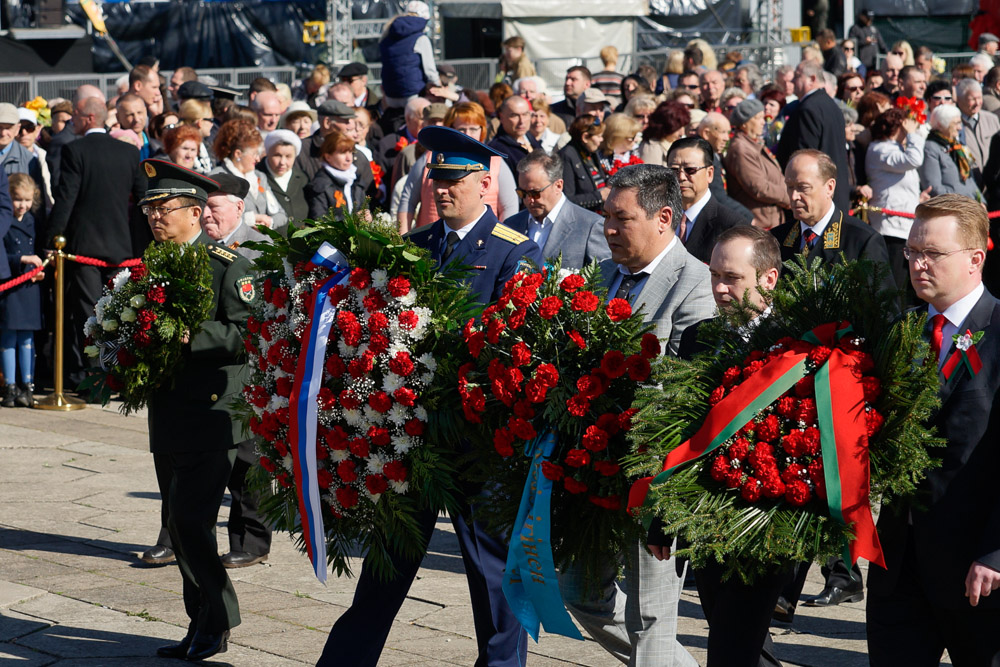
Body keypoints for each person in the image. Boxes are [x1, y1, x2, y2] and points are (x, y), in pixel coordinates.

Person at [317, 126, 541, 667]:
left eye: (453, 179)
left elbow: (512, 344)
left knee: (491, 578)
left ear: (484, 183)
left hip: (474, 439)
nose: (440, 189)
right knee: (385, 569)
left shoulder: (515, 251)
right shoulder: (415, 249)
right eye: (433, 179)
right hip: (411, 436)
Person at [563, 163, 712, 667]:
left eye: (620, 219)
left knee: (651, 617)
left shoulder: (695, 285)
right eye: (606, 217)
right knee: (580, 591)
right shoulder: (601, 276)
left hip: (654, 474)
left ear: (663, 217)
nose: (606, 229)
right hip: (592, 471)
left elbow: (687, 387)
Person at [867, 194, 1000, 666]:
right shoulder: (902, 331)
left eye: (932, 254)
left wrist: (996, 551)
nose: (918, 263)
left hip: (978, 571)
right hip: (899, 568)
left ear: (975, 259)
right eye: (911, 252)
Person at [650, 224, 786, 667]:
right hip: (706, 520)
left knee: (733, 644)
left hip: (767, 519)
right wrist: (662, 517)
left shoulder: (797, 342)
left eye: (733, 278)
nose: (721, 289)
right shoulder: (697, 338)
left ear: (768, 279)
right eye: (714, 277)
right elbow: (677, 431)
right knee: (730, 631)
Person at [137, 160, 252, 662]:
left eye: (164, 209)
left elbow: (250, 333)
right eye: (149, 209)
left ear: (195, 212)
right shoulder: (153, 264)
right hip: (170, 412)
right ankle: (200, 622)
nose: (155, 218)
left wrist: (191, 336)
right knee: (180, 526)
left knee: (190, 522)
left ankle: (219, 618)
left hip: (214, 412)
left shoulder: (228, 263)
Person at [45, 96, 146, 389]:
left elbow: (66, 199)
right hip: (121, 248)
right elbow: (141, 198)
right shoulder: (128, 152)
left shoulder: (74, 150)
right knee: (120, 313)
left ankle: (97, 381)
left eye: (75, 114)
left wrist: (51, 240)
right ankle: (122, 376)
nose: (71, 120)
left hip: (84, 248)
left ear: (89, 117)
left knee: (91, 316)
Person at [398, 102, 518, 231]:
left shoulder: (496, 162)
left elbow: (509, 207)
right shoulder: (429, 159)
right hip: (431, 240)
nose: (468, 134)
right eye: (462, 129)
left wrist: (501, 242)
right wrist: (403, 240)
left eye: (473, 129)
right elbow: (408, 201)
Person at [504, 149, 610, 268]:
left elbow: (603, 279)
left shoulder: (590, 226)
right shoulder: (511, 225)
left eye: (535, 193)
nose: (529, 200)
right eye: (522, 193)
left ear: (558, 186)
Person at [776, 59, 852, 212]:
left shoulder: (808, 109)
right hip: (832, 193)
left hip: (814, 199)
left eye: (797, 76)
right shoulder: (830, 105)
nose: (793, 80)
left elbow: (804, 157)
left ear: (812, 79)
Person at [866, 108, 927, 295]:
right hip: (890, 227)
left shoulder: (897, 149)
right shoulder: (880, 149)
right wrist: (912, 134)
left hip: (904, 226)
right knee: (894, 287)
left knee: (905, 288)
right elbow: (915, 159)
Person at [667, 136, 747, 263]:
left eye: (690, 170)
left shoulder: (731, 225)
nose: (681, 177)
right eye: (674, 170)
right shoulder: (659, 217)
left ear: (709, 173)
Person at [211, 118, 288, 232]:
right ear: (238, 154)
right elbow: (212, 216)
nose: (258, 159)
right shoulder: (217, 176)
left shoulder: (260, 177)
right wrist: (250, 219)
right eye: (254, 154)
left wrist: (268, 222)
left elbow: (281, 214)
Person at [2, 173, 39, 407]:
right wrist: (21, 259)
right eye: (17, 199)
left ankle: (28, 385)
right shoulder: (4, 221)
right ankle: (10, 386)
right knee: (7, 338)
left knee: (27, 339)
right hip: (9, 285)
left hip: (29, 286)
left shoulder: (33, 220)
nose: (22, 205)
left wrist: (41, 267)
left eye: (27, 200)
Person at [725, 98, 790, 229]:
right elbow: (758, 187)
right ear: (745, 123)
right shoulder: (741, 149)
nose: (763, 122)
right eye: (758, 118)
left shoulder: (753, 144)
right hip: (760, 223)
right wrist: (789, 197)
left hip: (771, 219)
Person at [378, 1, 440, 114]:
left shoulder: (387, 36)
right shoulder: (421, 38)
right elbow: (430, 71)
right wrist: (439, 86)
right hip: (413, 93)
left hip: (390, 94)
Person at [921, 104, 983, 202]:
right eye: (956, 123)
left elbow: (970, 178)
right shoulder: (930, 148)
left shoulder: (959, 146)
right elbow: (934, 188)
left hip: (970, 206)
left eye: (960, 123)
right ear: (941, 124)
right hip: (952, 208)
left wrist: (981, 201)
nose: (960, 128)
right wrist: (961, 202)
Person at [560, 114, 608, 212]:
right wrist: (599, 196)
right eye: (598, 136)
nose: (601, 140)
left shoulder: (590, 151)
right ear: (585, 137)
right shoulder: (566, 156)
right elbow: (566, 200)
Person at [957, 78, 1000, 187]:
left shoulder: (992, 119)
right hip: (971, 182)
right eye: (972, 99)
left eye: (979, 98)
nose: (977, 103)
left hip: (994, 182)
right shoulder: (955, 123)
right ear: (959, 100)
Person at [261, 129, 308, 224]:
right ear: (268, 153)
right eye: (277, 155)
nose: (282, 162)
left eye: (288, 156)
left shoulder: (301, 178)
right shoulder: (258, 176)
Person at [487, 95, 541, 177]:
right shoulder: (497, 150)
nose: (521, 121)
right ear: (501, 117)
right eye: (514, 115)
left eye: (525, 114)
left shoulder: (531, 139)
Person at [639, 101, 690, 167]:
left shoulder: (671, 143)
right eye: (677, 128)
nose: (682, 133)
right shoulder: (651, 148)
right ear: (666, 127)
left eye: (684, 127)